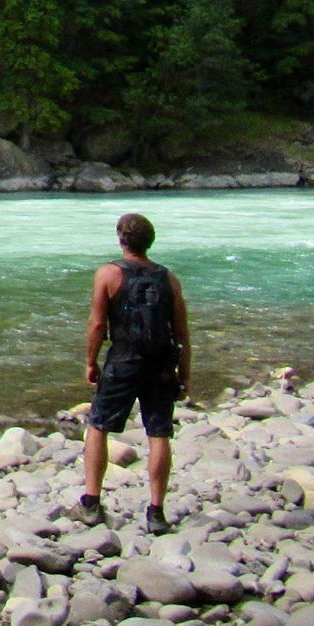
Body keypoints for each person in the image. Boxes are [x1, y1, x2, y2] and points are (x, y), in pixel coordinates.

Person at [78, 211, 190, 534]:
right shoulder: (169, 279)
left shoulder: (108, 275)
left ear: (121, 239)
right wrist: (186, 374)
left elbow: (97, 324)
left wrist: (90, 362)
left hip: (123, 361)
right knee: (159, 434)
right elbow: (182, 334)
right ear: (150, 242)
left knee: (98, 426)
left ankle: (91, 503)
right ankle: (156, 512)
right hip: (161, 365)